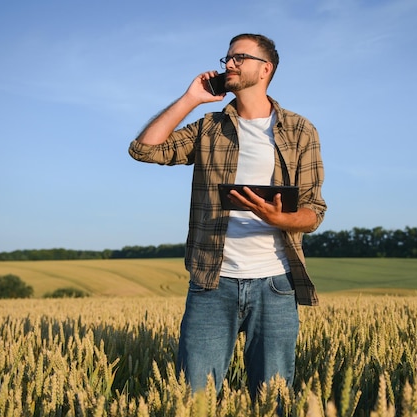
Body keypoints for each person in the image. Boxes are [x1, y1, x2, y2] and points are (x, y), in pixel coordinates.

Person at [128, 33, 327, 399]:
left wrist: (279, 218)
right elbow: (143, 149)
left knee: (274, 400)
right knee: (194, 399)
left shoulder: (301, 130)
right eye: (227, 58)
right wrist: (191, 98)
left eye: (239, 57)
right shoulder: (209, 127)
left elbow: (313, 211)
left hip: (275, 283)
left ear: (265, 68)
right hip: (211, 282)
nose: (229, 64)